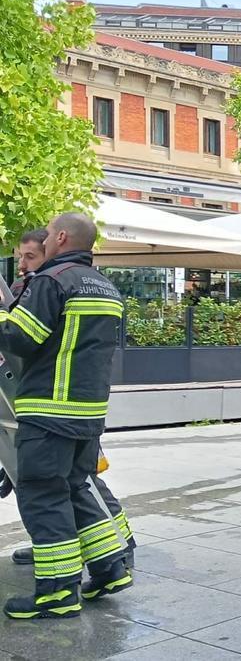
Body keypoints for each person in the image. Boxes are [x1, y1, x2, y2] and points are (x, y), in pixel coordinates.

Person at [0, 214, 132, 619]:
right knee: (76, 486)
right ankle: (110, 567)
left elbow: (21, 337)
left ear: (60, 237)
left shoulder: (52, 281)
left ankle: (57, 594)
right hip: (87, 411)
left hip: (48, 409)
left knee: (43, 495)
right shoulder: (106, 287)